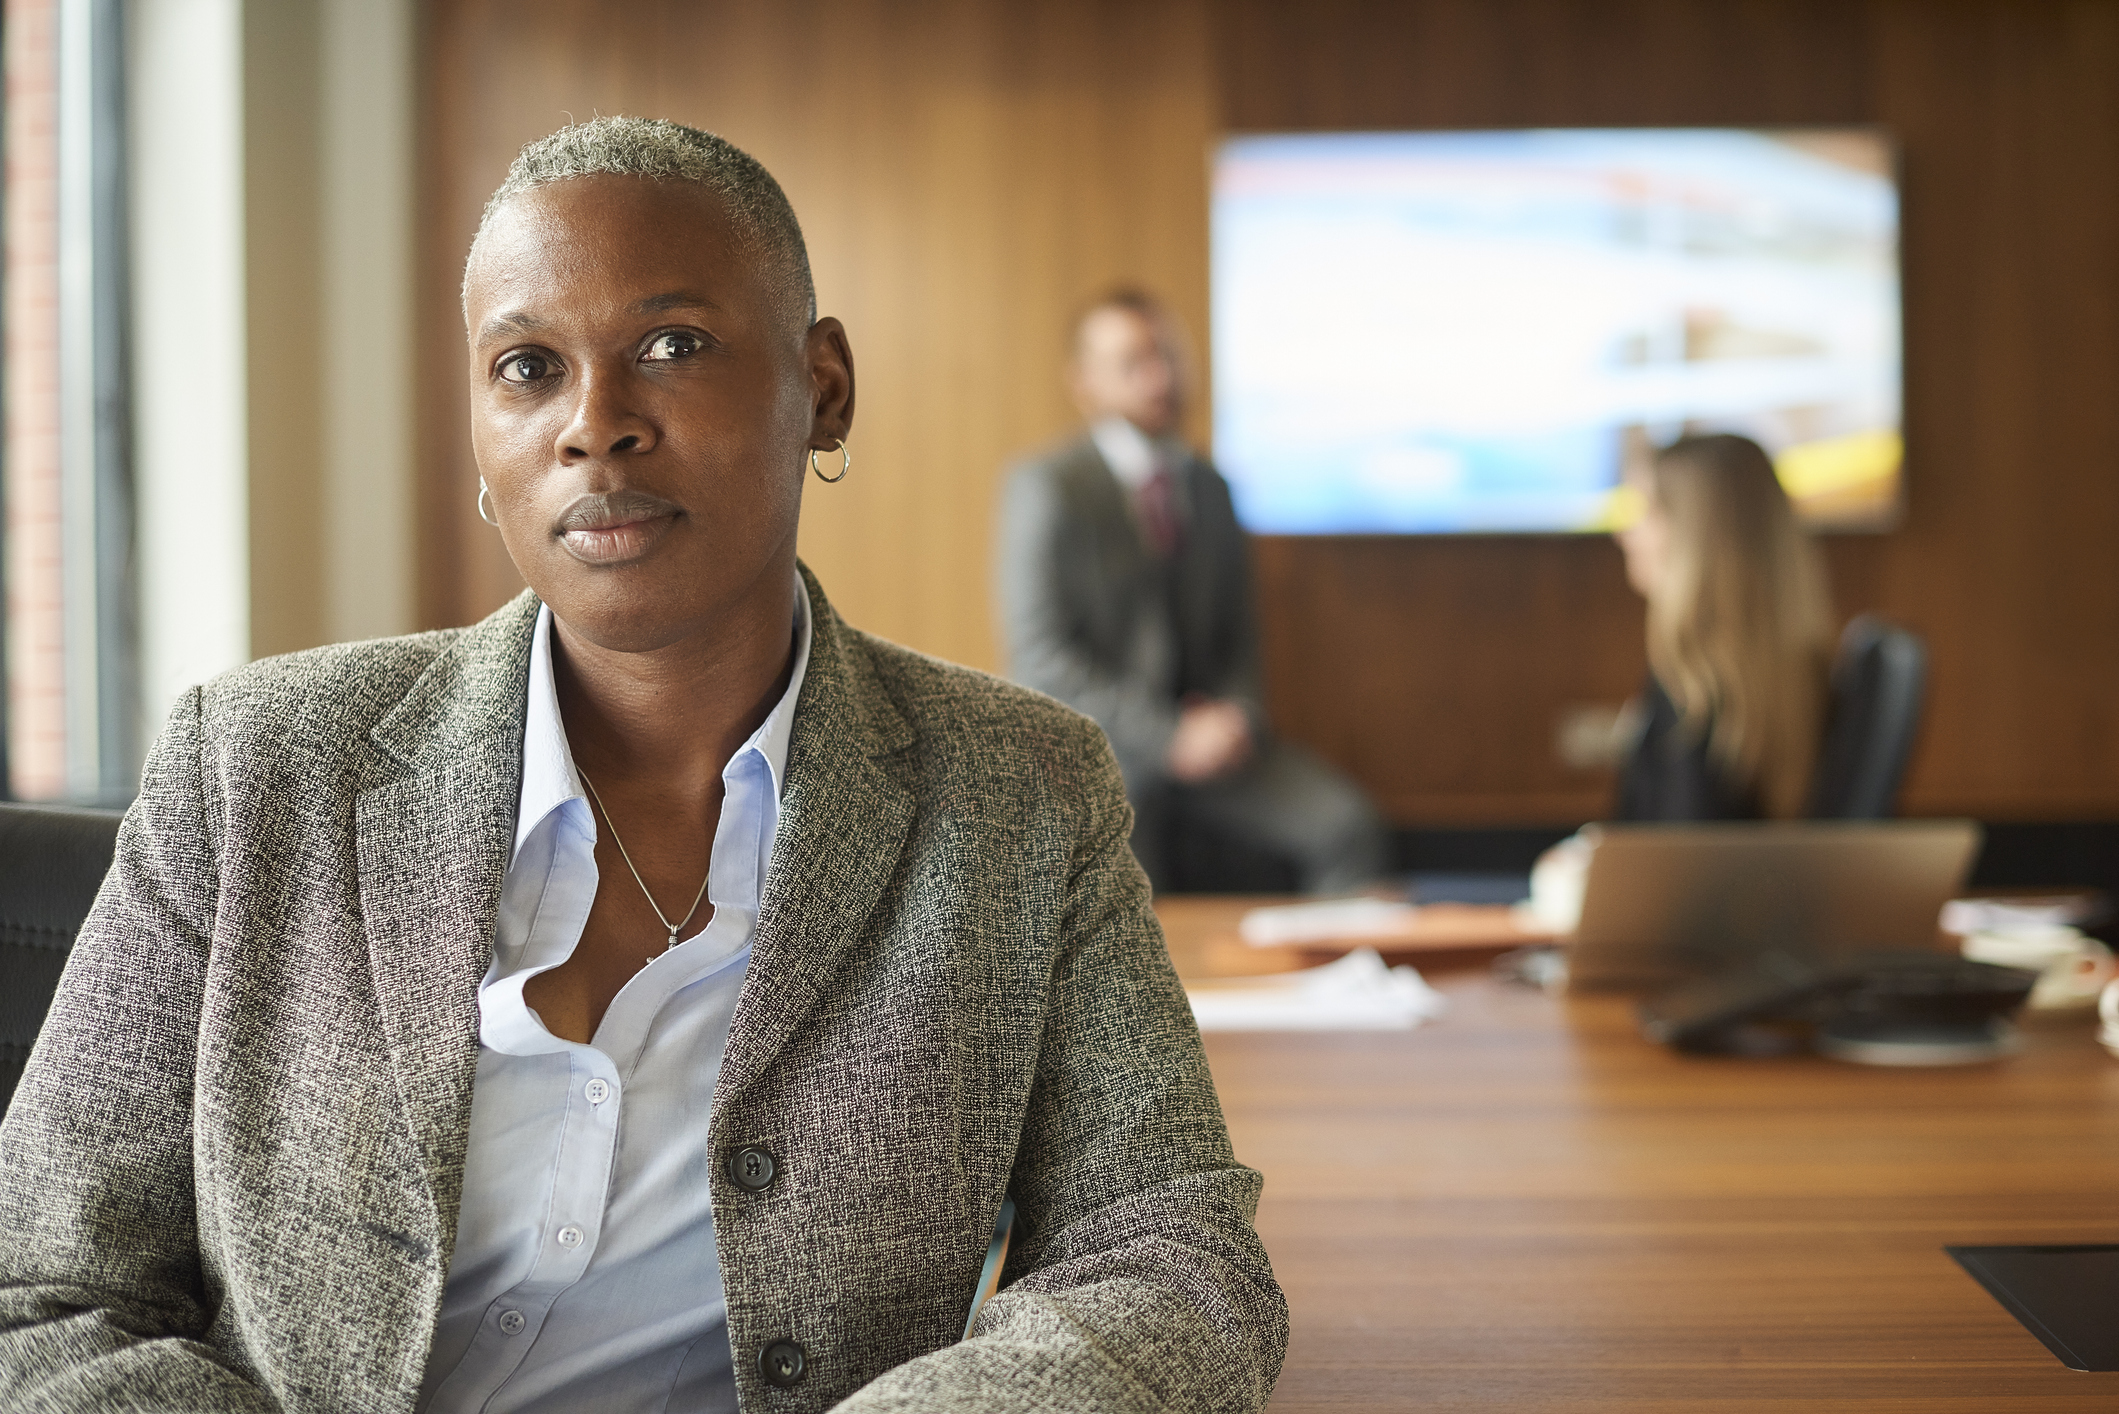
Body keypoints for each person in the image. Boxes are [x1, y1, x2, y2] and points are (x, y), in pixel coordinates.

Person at [0, 119, 1285, 1413]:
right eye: (526, 367)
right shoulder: (256, 765)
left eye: (671, 346)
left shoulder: (1016, 792)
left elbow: (1171, 1258)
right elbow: (36, 1290)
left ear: (822, 384)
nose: (593, 425)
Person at [995, 289, 1388, 894]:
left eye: (1167, 356)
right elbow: (1044, 658)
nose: (1159, 376)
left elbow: (1241, 641)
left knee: (1346, 828)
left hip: (1220, 754)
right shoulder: (1048, 488)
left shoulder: (1212, 489)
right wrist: (1167, 737)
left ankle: (1342, 986)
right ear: (1085, 384)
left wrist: (1237, 719)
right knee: (1122, 869)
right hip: (1105, 754)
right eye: (1133, 363)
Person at [1611, 432, 1836, 820]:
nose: (1626, 535)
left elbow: (1675, 867)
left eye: (1648, 511)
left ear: (1696, 535)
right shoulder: (1808, 678)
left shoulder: (1690, 687)